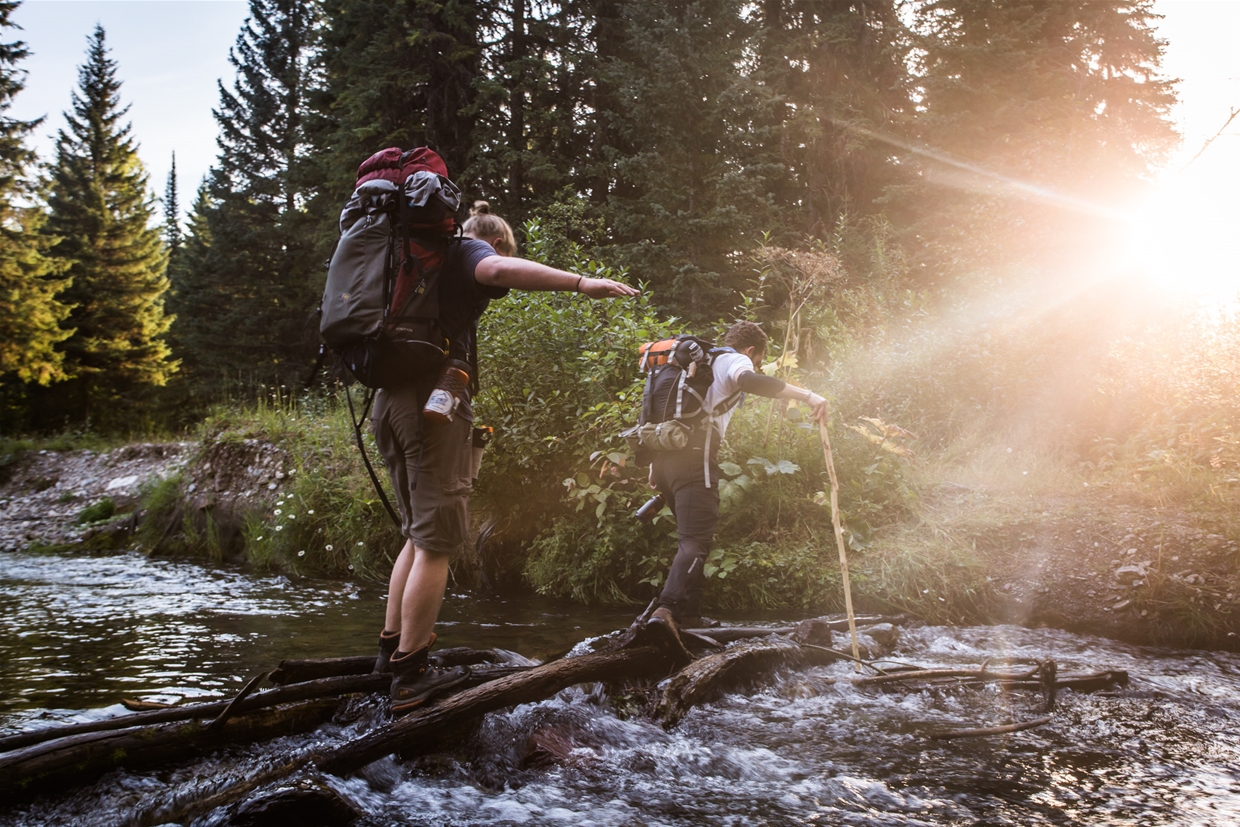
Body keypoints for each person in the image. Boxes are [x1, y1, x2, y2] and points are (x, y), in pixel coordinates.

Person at [372, 206, 639, 713]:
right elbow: (495, 270)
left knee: (415, 532)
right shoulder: (469, 250)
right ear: (495, 242)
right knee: (438, 541)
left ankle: (389, 654)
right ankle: (410, 676)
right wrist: (582, 283)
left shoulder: (407, 263)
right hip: (433, 405)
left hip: (388, 403)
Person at [642, 321, 829, 637]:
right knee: (696, 541)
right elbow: (750, 380)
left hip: (663, 459)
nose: (753, 364)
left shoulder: (696, 364)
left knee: (693, 537)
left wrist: (653, 467)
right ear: (752, 350)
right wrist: (809, 396)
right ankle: (667, 609)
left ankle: (689, 616)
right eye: (757, 359)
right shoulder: (733, 359)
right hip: (695, 455)